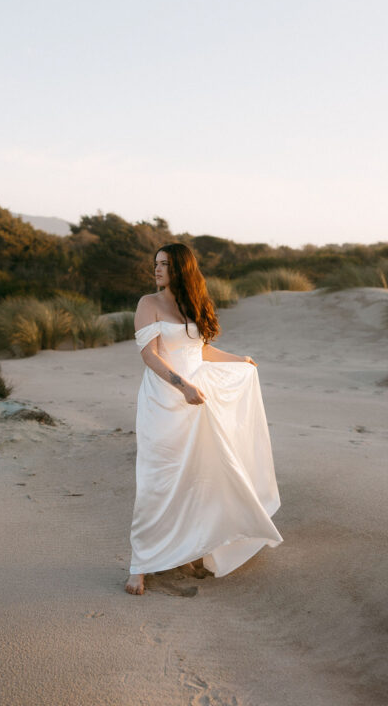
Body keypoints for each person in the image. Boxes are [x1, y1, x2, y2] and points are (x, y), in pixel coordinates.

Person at [125, 242, 283, 595]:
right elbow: (149, 356)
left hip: (199, 399)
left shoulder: (193, 303)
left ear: (181, 268)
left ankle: (187, 552)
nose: (157, 269)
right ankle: (140, 565)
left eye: (164, 264)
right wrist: (182, 386)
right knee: (158, 478)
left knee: (198, 477)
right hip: (164, 399)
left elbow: (202, 350)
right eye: (156, 264)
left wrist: (238, 359)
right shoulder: (147, 304)